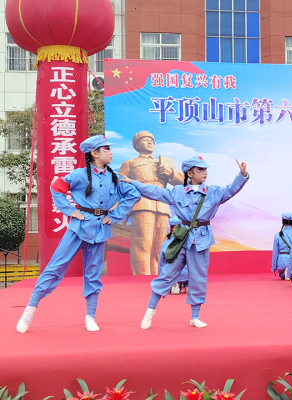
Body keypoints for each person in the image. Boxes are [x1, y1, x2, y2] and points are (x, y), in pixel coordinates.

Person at [16, 135, 141, 333]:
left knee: (93, 273)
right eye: (107, 149)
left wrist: (114, 215)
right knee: (56, 267)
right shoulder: (80, 175)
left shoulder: (115, 178)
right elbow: (56, 187)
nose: (111, 152)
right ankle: (30, 308)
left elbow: (134, 194)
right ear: (95, 153)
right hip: (78, 227)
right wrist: (69, 210)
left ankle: (90, 316)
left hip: (100, 230)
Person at [121, 155, 249, 329]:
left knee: (198, 278)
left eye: (205, 169)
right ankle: (150, 311)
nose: (204, 172)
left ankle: (195, 317)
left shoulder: (213, 192)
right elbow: (155, 192)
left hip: (201, 241)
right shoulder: (177, 192)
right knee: (166, 275)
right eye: (200, 169)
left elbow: (231, 189)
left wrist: (242, 175)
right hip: (181, 239)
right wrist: (132, 182)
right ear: (190, 173)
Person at [118, 131, 185, 276]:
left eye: (152, 141)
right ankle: (142, 278)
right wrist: (116, 210)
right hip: (142, 204)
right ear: (137, 145)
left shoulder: (163, 163)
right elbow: (118, 185)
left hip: (162, 205)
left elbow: (184, 182)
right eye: (145, 140)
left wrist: (171, 173)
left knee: (159, 245)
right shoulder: (130, 163)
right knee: (142, 243)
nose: (150, 142)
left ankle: (157, 276)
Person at [164, 216, 189, 295]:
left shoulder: (167, 242)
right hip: (189, 275)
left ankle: (175, 284)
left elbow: (162, 261)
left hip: (172, 274)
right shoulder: (188, 241)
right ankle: (187, 285)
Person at [272, 213, 292, 280]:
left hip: (282, 261)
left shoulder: (278, 235)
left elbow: (275, 253)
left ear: (283, 222)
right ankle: (291, 273)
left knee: (281, 275)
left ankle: (284, 273)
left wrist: (274, 268)